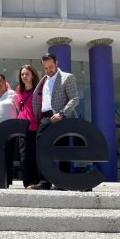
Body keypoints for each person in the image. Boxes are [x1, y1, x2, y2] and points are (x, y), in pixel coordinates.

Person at [28, 53, 79, 190]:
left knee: (63, 149)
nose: (49, 70)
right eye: (45, 68)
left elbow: (74, 99)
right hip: (45, 118)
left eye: (51, 66)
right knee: (42, 149)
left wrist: (62, 113)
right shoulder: (43, 80)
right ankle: (44, 182)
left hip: (62, 117)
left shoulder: (67, 77)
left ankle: (63, 182)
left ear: (56, 63)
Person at [0, 73, 19, 185]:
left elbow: (20, 110)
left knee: (8, 155)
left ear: (5, 81)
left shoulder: (12, 94)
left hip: (9, 129)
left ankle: (8, 179)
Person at [16, 65, 40, 188]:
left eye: (27, 74)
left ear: (32, 75)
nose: (24, 76)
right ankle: (27, 183)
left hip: (35, 129)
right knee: (24, 156)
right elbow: (19, 108)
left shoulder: (38, 91)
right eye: (22, 74)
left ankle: (36, 182)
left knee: (34, 156)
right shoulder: (19, 91)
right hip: (22, 129)